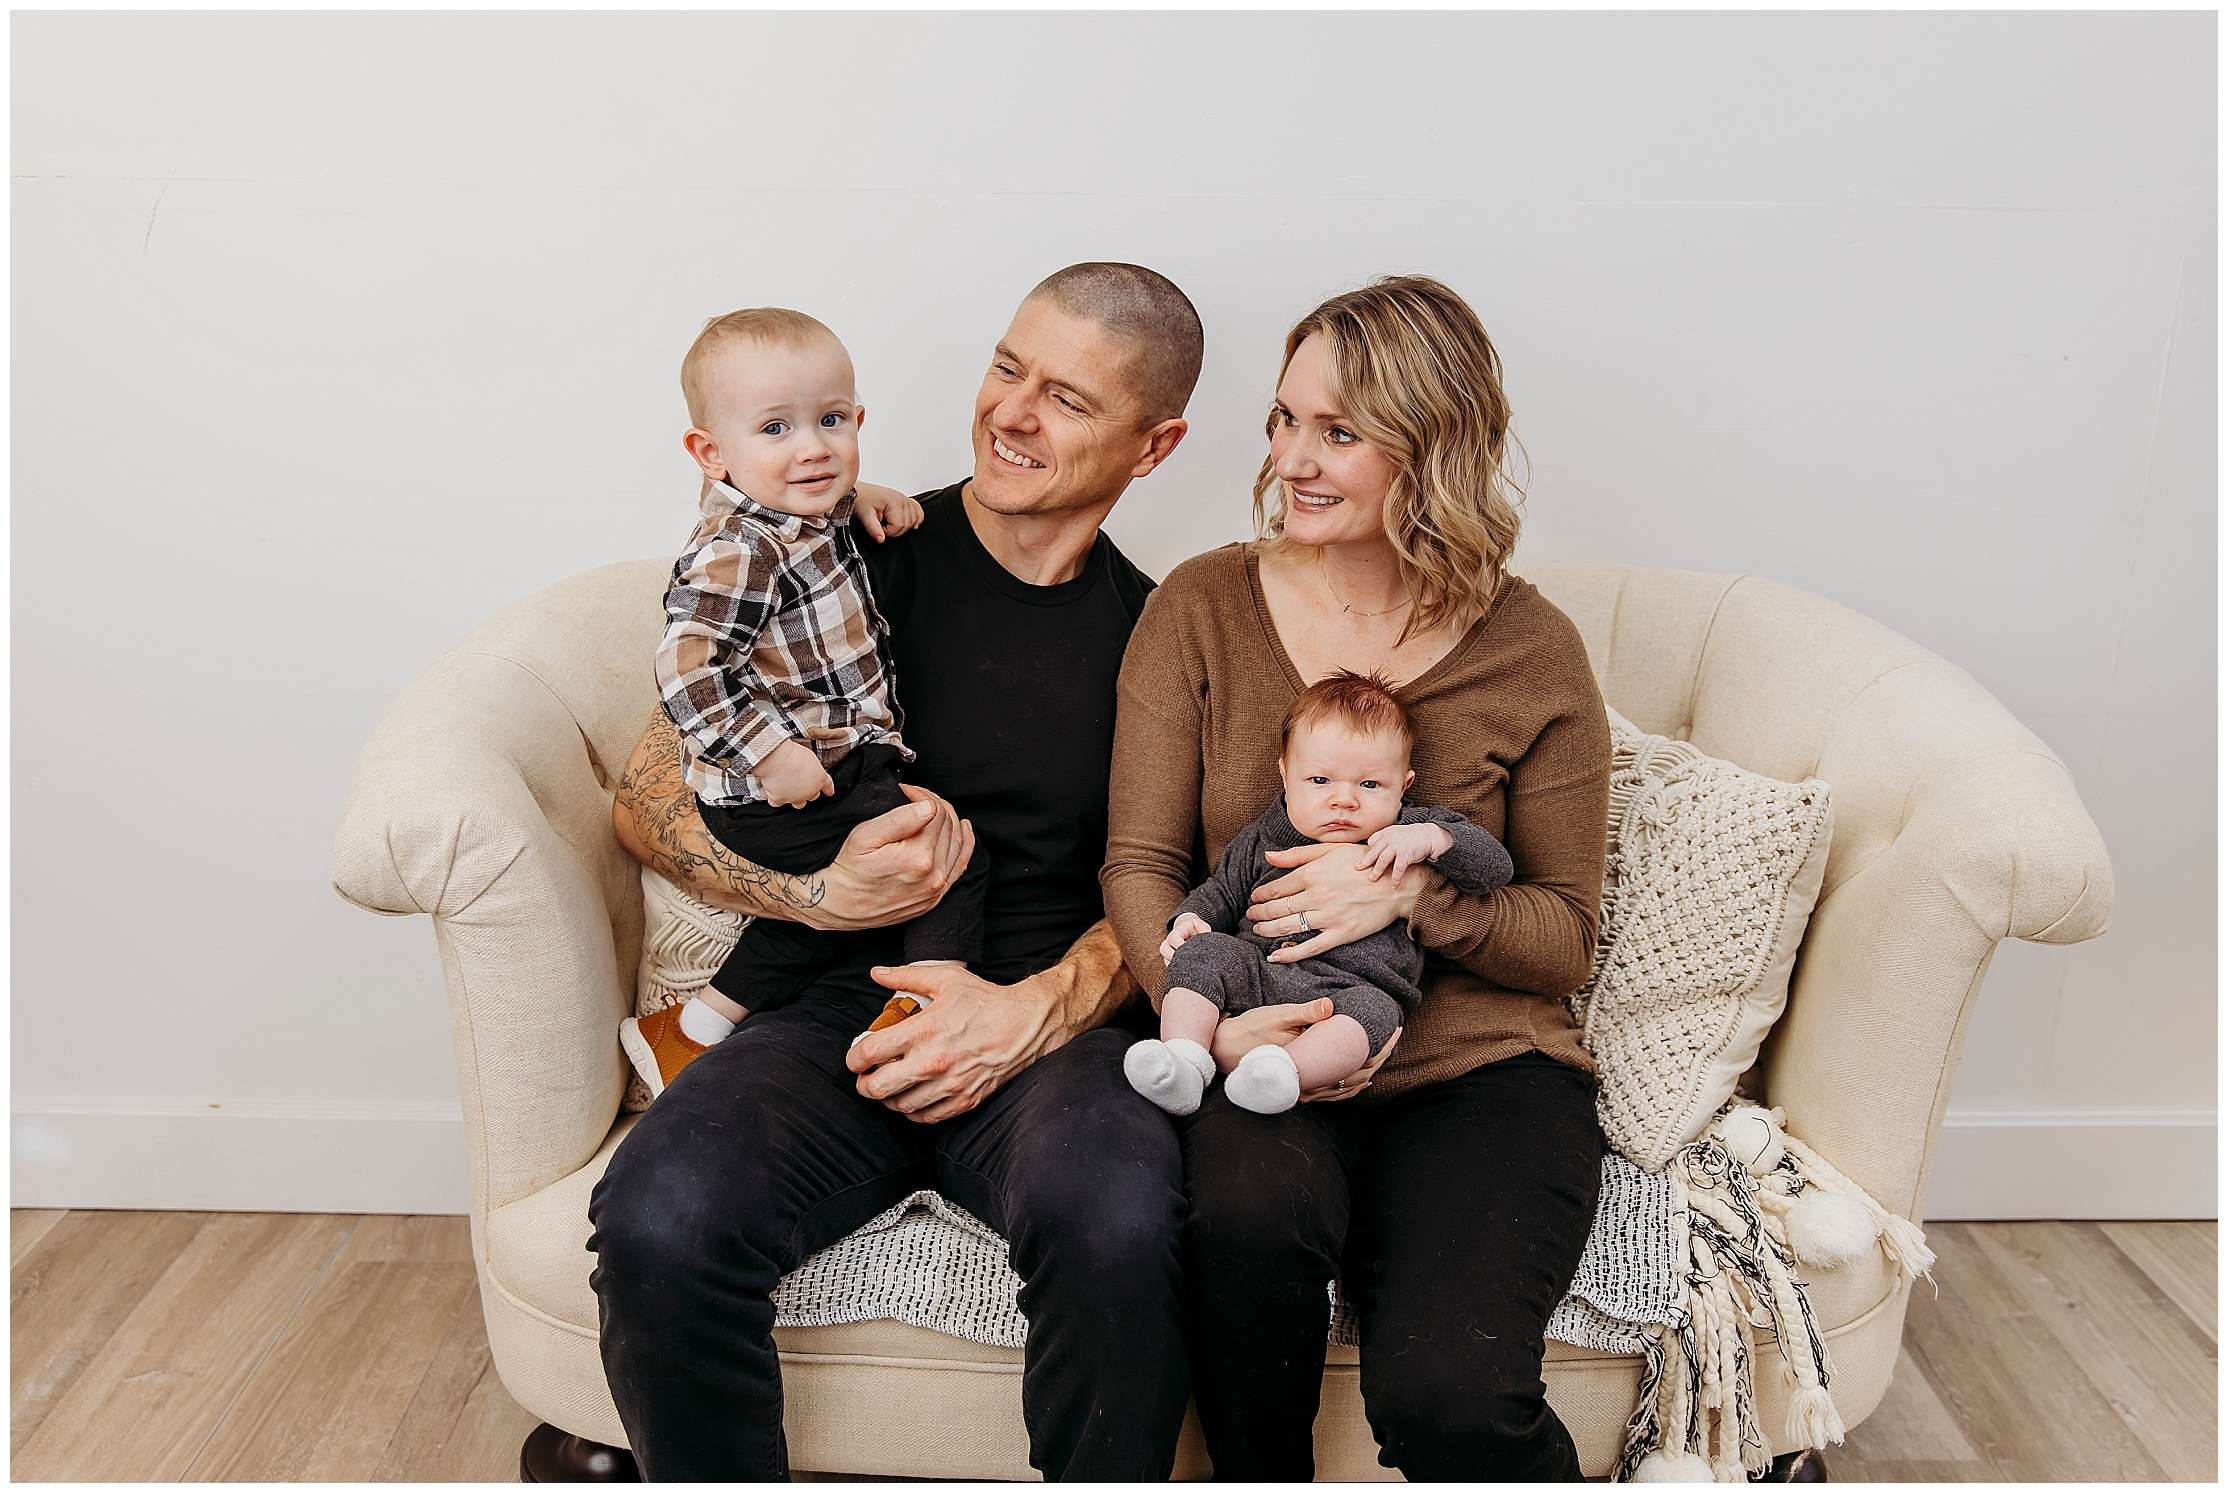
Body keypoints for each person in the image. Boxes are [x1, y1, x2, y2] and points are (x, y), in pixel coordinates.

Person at [589, 262, 1203, 1480]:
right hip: (831, 1001)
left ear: (1153, 445)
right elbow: (645, 806)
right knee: (659, 1213)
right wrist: (817, 895)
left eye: (1067, 399)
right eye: (1006, 367)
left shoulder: (1162, 634)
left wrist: (1033, 1010)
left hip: (1041, 1032)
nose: (1011, 413)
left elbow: (1178, 878)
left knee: (1123, 1222)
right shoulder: (837, 552)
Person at [1101, 274, 1612, 1480]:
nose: (1291, 459)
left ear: (1432, 450)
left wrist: (1410, 901)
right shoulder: (1201, 607)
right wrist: (1219, 1025)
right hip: (1259, 1048)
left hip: (1479, 1076)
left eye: (1337, 432)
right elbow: (1140, 863)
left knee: (1450, 1396)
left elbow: (1563, 936)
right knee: (1238, 1227)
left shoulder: (1529, 649)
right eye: (1284, 420)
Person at [622, 305, 984, 1101]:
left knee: (840, 905)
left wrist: (857, 494)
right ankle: (924, 1005)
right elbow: (687, 668)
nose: (813, 447)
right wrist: (766, 753)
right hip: (768, 782)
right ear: (710, 454)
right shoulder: (738, 549)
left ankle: (693, 1026)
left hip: (828, 762)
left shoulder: (799, 518)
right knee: (944, 853)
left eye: (830, 421)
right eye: (776, 429)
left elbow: (813, 494)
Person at [1124, 670, 1513, 1117]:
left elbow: (1494, 869)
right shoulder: (1262, 839)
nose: (1344, 800)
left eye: (1370, 785)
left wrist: (1437, 840)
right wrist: (1191, 920)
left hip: (1350, 990)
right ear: (1286, 776)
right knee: (1202, 954)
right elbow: (1222, 892)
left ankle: (1279, 1075)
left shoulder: (1409, 832)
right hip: (1257, 973)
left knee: (1375, 1016)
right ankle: (1184, 1063)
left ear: (1403, 787)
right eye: (1320, 781)